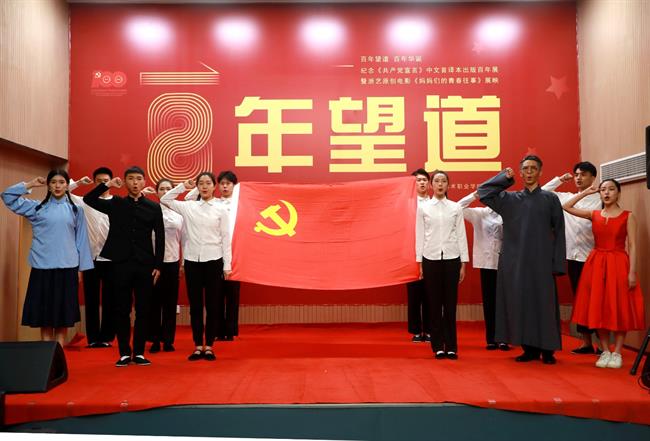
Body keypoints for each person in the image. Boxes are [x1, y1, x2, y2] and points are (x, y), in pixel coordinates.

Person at [478, 156, 566, 365]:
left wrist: (557, 263)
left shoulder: (550, 199)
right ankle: (529, 349)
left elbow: (559, 231)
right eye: (525, 169)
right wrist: (504, 178)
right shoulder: (510, 199)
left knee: (544, 304)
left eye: (533, 168)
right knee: (521, 303)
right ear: (520, 173)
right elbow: (483, 192)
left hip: (542, 260)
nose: (529, 172)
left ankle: (548, 350)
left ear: (540, 172)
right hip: (515, 261)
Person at [83, 166, 165, 367]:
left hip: (145, 265)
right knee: (121, 309)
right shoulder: (115, 203)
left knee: (143, 309)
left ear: (144, 182)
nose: (135, 182)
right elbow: (88, 199)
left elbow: (160, 237)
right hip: (120, 264)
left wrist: (158, 265)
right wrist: (108, 185)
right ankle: (124, 353)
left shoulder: (154, 207)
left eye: (138, 179)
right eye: (131, 179)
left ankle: (139, 352)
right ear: (125, 182)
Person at [2, 170, 93, 347]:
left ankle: (58, 356)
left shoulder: (76, 210)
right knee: (44, 317)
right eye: (53, 182)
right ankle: (46, 357)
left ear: (67, 185)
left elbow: (81, 240)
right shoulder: (36, 207)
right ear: (48, 186)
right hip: (42, 268)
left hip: (68, 268)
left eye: (61, 182)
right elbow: (7, 196)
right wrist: (30, 184)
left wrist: (81, 270)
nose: (57, 186)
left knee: (62, 318)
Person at [562, 179, 645, 369]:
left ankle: (617, 352)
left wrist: (632, 272)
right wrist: (586, 192)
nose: (606, 193)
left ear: (618, 193)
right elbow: (566, 206)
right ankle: (605, 350)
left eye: (611, 189)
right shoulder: (594, 214)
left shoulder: (628, 216)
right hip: (596, 264)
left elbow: (632, 245)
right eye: (603, 190)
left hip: (619, 263)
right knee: (597, 306)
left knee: (620, 306)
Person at [161, 172, 232, 362]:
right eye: (201, 183)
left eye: (208, 183)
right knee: (196, 306)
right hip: (192, 262)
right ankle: (198, 345)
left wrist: (227, 265)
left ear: (214, 186)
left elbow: (226, 239)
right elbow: (165, 199)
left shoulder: (221, 209)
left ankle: (209, 346)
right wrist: (183, 186)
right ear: (197, 187)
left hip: (214, 261)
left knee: (213, 305)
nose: (205, 186)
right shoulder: (189, 206)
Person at [542, 162, 603, 354]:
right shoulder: (566, 197)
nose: (578, 178)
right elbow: (542, 193)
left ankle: (603, 345)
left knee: (596, 301)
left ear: (593, 177)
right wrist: (560, 180)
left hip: (593, 257)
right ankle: (586, 343)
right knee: (580, 300)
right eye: (576, 174)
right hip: (573, 257)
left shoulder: (600, 198)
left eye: (583, 174)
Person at [416, 170, 469, 360]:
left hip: (452, 258)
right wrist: (419, 262)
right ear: (432, 185)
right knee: (434, 303)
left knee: (450, 304)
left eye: (443, 181)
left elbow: (461, 235)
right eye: (437, 181)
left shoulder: (455, 207)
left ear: (448, 185)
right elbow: (419, 235)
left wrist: (463, 262)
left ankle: (451, 346)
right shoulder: (424, 208)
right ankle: (438, 346)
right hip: (430, 259)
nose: (440, 184)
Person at [69, 167, 116, 348]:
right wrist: (79, 183)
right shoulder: (84, 202)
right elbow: (65, 191)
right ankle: (93, 338)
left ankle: (107, 337)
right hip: (90, 258)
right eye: (99, 181)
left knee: (110, 299)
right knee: (91, 299)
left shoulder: (116, 203)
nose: (103, 184)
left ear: (111, 182)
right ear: (94, 182)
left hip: (111, 259)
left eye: (106, 181)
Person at [457, 190, 509, 351]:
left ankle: (504, 338)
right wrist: (475, 194)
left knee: (504, 302)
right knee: (489, 301)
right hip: (486, 264)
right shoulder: (479, 214)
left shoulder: (507, 212)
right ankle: (491, 339)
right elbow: (458, 207)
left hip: (505, 262)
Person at [143, 179, 183, 353]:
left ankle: (168, 340)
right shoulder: (150, 212)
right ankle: (154, 340)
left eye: (168, 189)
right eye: (162, 189)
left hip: (173, 262)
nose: (165, 192)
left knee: (170, 302)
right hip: (153, 263)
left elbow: (184, 240)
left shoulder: (179, 214)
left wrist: (182, 263)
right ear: (157, 192)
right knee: (153, 302)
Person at [408, 168, 432, 343]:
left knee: (431, 293)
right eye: (418, 180)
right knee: (414, 294)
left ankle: (430, 330)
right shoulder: (406, 204)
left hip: (431, 252)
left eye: (424, 180)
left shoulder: (435, 203)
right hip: (411, 253)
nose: (422, 183)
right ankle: (416, 330)